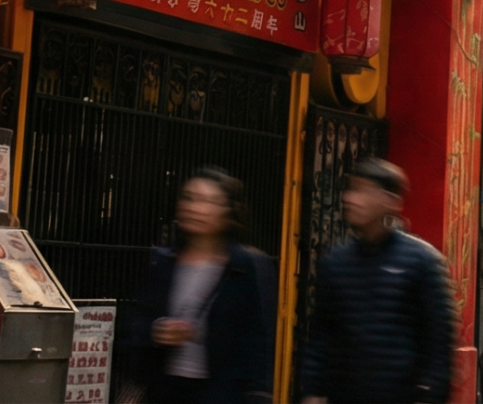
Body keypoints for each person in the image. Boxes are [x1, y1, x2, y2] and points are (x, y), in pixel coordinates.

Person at [298, 158, 457, 404]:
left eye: (362, 190)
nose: (350, 198)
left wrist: (430, 397)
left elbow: (439, 344)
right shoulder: (336, 261)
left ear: (390, 201)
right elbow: (321, 336)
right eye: (350, 189)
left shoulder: (422, 261)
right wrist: (312, 391)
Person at [128, 167, 277, 404]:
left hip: (222, 394)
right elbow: (138, 324)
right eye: (189, 198)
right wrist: (157, 330)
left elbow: (260, 342)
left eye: (209, 201)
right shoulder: (163, 262)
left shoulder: (248, 266)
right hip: (167, 392)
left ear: (228, 212)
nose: (195, 208)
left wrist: (259, 395)